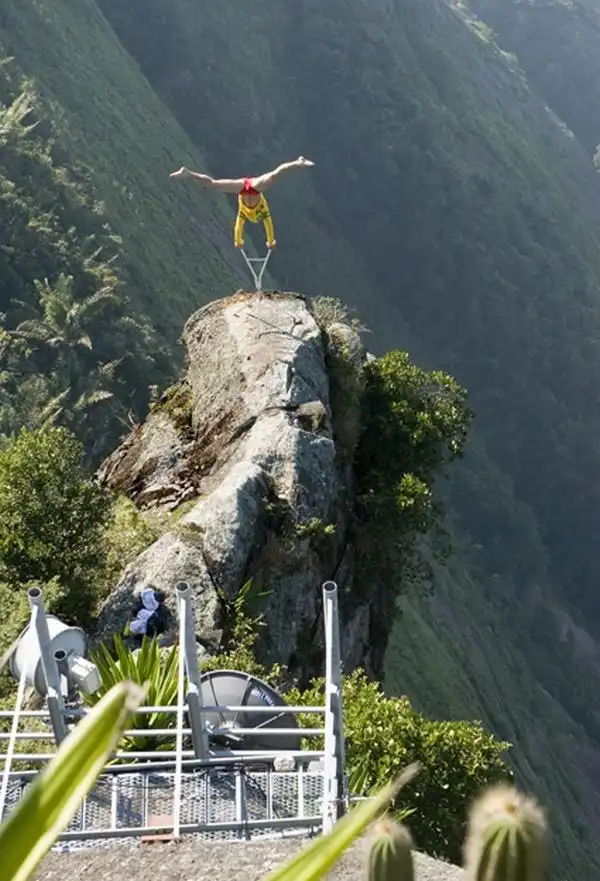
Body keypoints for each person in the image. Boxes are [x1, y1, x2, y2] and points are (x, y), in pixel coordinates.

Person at [169, 156, 315, 250]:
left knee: (214, 184)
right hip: (255, 187)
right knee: (274, 175)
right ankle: (298, 162)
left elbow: (238, 226)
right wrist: (270, 242)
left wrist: (238, 241)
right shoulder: (263, 211)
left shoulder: (243, 213)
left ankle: (188, 173)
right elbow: (268, 224)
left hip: (242, 187)